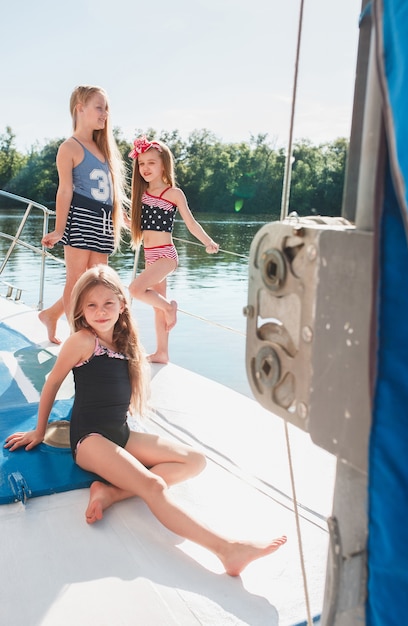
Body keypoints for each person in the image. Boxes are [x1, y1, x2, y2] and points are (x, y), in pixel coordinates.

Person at [5, 265, 287, 576]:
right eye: (92, 305)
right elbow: (53, 382)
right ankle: (227, 550)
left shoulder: (124, 342)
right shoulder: (83, 341)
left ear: (122, 305)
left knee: (194, 461)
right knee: (152, 485)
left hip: (119, 433)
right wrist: (39, 430)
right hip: (90, 439)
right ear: (82, 311)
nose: (101, 312)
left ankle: (111, 492)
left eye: (108, 303)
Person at [38, 85, 128, 345]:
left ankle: (51, 315)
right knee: (76, 278)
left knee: (99, 280)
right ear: (80, 109)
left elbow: (109, 193)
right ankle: (77, 337)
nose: (105, 113)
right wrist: (59, 229)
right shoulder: (71, 147)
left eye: (106, 108)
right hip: (80, 219)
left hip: (102, 222)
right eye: (99, 107)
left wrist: (121, 218)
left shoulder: (104, 148)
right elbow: (65, 190)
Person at [128, 135, 219, 364]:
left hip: (166, 256)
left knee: (136, 289)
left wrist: (207, 242)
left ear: (163, 165)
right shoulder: (142, 195)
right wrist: (116, 219)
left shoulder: (173, 194)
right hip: (150, 256)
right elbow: (137, 226)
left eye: (151, 163)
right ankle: (162, 353)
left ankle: (171, 307)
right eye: (142, 163)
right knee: (156, 308)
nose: (146, 168)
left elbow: (191, 223)